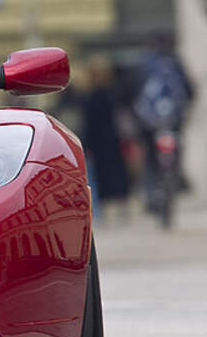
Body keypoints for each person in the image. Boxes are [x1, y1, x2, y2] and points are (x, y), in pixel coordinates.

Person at [132, 34, 195, 212]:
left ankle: (153, 193)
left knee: (151, 159)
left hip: (148, 123)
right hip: (172, 121)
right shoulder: (173, 62)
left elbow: (128, 94)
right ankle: (175, 180)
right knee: (174, 151)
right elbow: (189, 91)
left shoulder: (141, 65)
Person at [79, 56, 130, 217]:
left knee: (102, 175)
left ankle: (107, 209)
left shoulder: (90, 97)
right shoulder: (112, 94)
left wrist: (85, 143)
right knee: (117, 172)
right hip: (113, 139)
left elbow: (89, 124)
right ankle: (121, 205)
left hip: (98, 143)